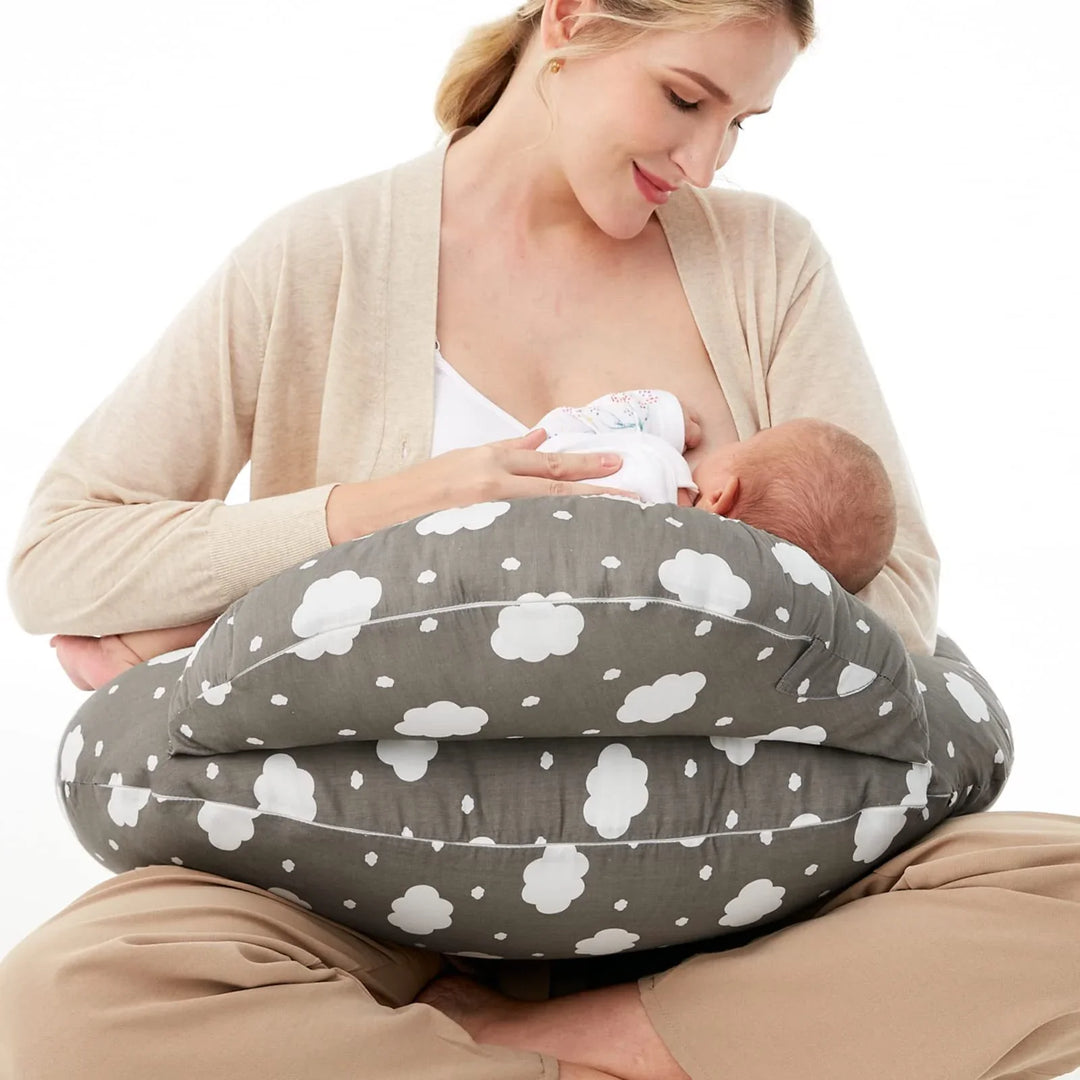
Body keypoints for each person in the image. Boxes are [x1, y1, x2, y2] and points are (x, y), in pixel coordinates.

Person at [3, 2, 1079, 1079]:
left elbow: (897, 590)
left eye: (742, 122)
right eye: (685, 99)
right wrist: (380, 508)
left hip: (747, 893)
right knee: (62, 1007)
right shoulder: (322, 253)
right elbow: (61, 555)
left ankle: (539, 1045)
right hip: (373, 911)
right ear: (570, 22)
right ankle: (707, 1053)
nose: (706, 162)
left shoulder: (763, 259)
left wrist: (665, 608)